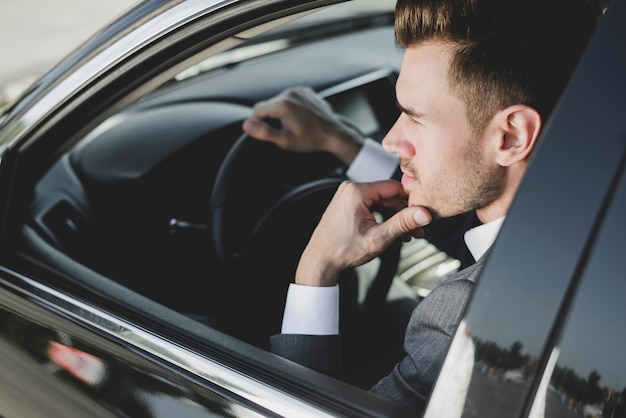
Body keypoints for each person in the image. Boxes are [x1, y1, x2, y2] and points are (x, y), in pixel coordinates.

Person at [242, 0, 598, 413]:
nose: (392, 140)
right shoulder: (586, 212)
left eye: (415, 117)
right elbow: (470, 215)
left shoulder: (467, 317)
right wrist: (342, 141)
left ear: (512, 136)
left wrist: (315, 270)